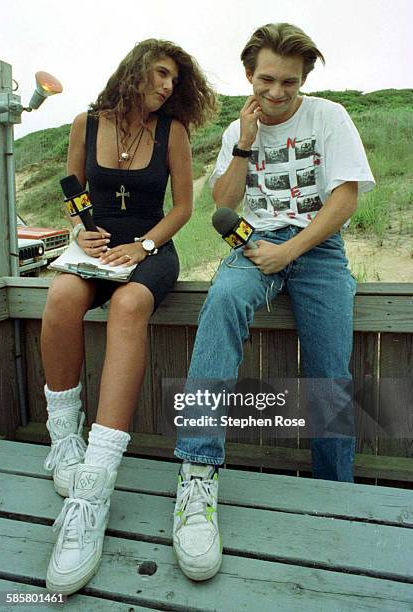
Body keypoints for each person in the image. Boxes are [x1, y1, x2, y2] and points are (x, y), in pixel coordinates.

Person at [172, 23, 375, 581]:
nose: (277, 92)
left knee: (329, 369)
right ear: (248, 75)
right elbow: (224, 200)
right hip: (252, 242)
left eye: (289, 82)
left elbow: (345, 198)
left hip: (317, 248)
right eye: (266, 80)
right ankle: (198, 470)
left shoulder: (330, 117)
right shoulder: (240, 127)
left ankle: (336, 495)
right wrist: (242, 139)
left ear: (304, 79)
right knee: (221, 307)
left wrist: (292, 253)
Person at [41, 38, 217, 595]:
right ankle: (63, 440)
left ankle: (93, 489)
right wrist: (79, 230)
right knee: (61, 298)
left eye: (176, 80)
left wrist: (142, 246)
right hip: (96, 249)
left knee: (129, 303)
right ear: (136, 70)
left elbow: (185, 207)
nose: (168, 87)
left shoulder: (174, 133)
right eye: (162, 74)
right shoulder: (85, 124)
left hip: (150, 249)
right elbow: (73, 191)